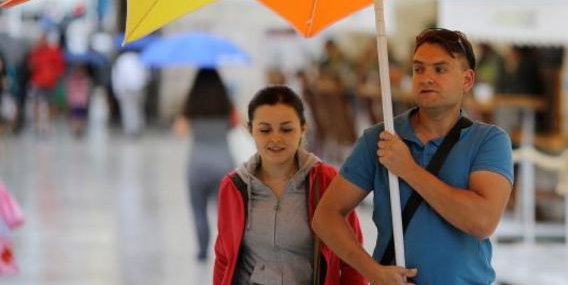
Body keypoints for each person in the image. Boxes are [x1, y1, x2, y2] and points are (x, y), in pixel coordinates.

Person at [312, 28, 514, 285]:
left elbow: (482, 221)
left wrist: (408, 169)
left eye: (440, 69)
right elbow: (326, 216)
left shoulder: (489, 141)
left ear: (467, 79)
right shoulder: (381, 138)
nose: (426, 78)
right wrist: (373, 272)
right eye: (419, 69)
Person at [214, 85, 367, 285]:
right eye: (265, 130)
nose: (276, 138)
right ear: (250, 130)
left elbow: (352, 258)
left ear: (303, 128)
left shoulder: (326, 180)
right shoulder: (233, 186)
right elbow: (224, 258)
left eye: (286, 129)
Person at [174, 69, 236, 261]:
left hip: (197, 164)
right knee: (224, 213)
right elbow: (239, 123)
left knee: (198, 210)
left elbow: (179, 131)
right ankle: (226, 249)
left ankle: (202, 250)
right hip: (223, 163)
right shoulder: (226, 102)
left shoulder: (191, 103)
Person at [111, 50, 148, 137]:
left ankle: (131, 129)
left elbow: (117, 77)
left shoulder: (121, 60)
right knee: (138, 108)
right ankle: (138, 128)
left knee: (128, 109)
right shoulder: (139, 58)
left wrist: (118, 91)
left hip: (127, 87)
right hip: (139, 86)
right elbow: (146, 74)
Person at [65, 64, 92, 138]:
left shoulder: (86, 80)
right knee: (74, 116)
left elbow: (87, 91)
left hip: (82, 101)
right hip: (74, 101)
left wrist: (86, 100)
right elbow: (69, 91)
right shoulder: (71, 80)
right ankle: (76, 128)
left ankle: (79, 128)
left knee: (80, 116)